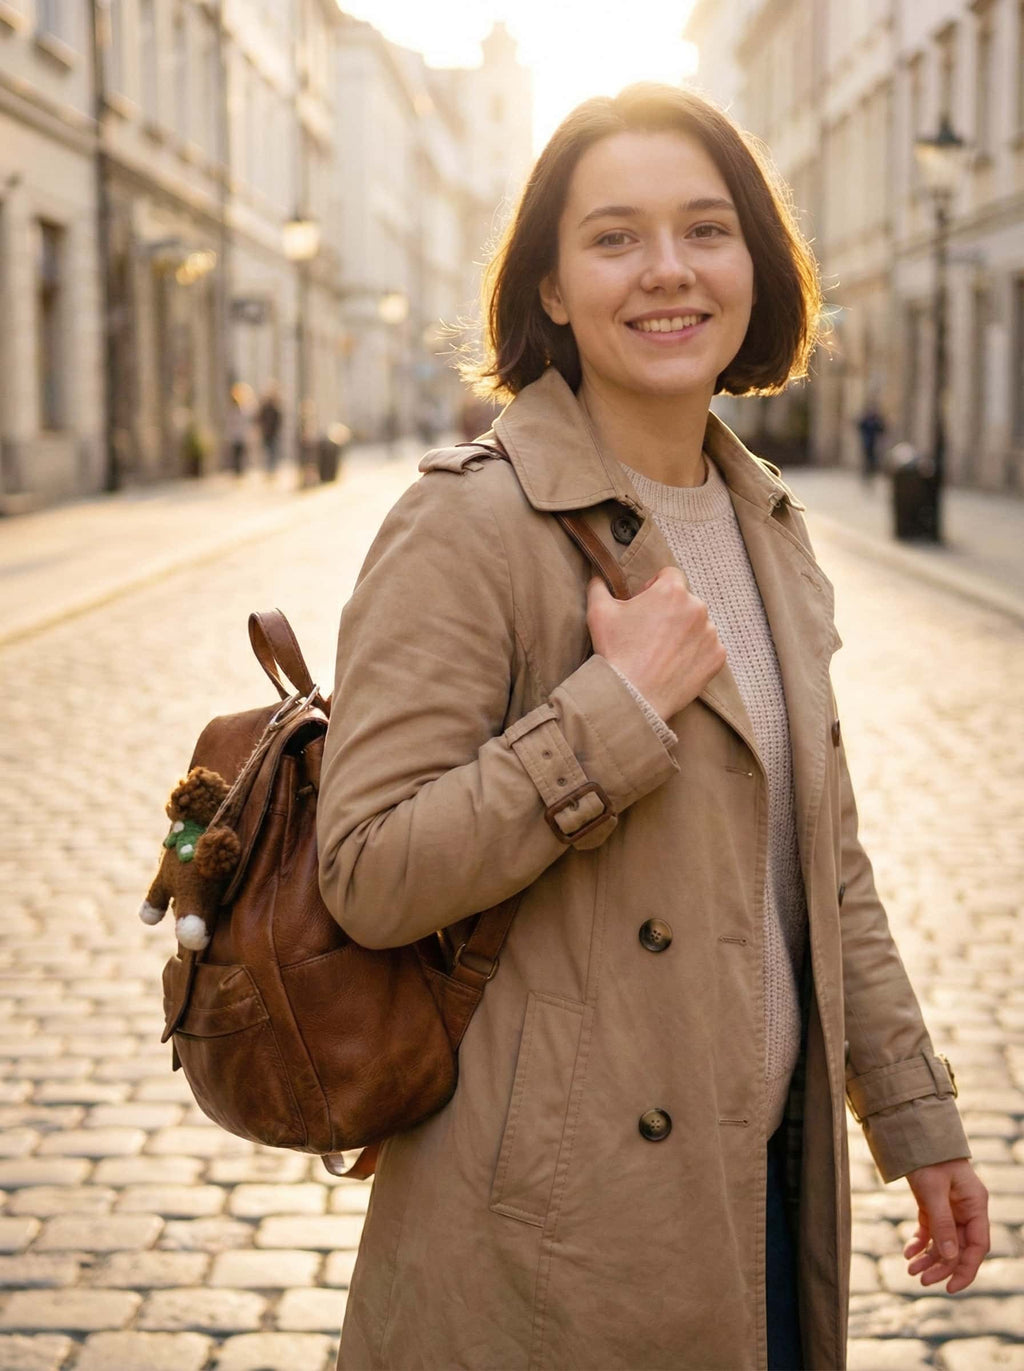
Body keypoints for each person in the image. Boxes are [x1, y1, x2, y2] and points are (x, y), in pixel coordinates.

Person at [316, 85, 988, 1371]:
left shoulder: (765, 525)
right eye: (615, 237)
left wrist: (914, 1117)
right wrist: (609, 716)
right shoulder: (469, 526)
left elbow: (823, 865)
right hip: (557, 1248)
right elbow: (365, 876)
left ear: (755, 265)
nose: (668, 270)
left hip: (762, 1196)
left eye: (705, 230)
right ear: (553, 288)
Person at [256, 382, 283, 474]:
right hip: (266, 433)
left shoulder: (276, 408)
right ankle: (268, 469)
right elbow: (259, 418)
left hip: (273, 433)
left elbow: (279, 419)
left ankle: (272, 469)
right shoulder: (265, 408)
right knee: (268, 451)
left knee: (273, 451)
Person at [857, 403, 886, 483]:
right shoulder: (866, 420)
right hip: (866, 442)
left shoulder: (875, 420)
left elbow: (881, 429)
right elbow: (860, 427)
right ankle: (866, 472)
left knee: (872, 458)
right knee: (867, 457)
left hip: (874, 443)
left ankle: (871, 471)